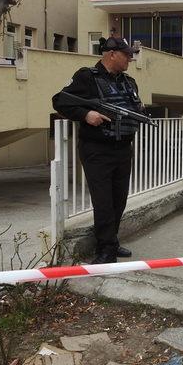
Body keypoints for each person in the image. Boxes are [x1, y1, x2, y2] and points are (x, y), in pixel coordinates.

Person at [52, 37, 140, 264]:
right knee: (103, 202)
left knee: (118, 200)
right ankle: (105, 250)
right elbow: (60, 101)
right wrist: (86, 115)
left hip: (123, 149)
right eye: (126, 54)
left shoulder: (128, 82)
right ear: (112, 54)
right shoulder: (87, 77)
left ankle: (112, 240)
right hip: (97, 149)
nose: (130, 57)